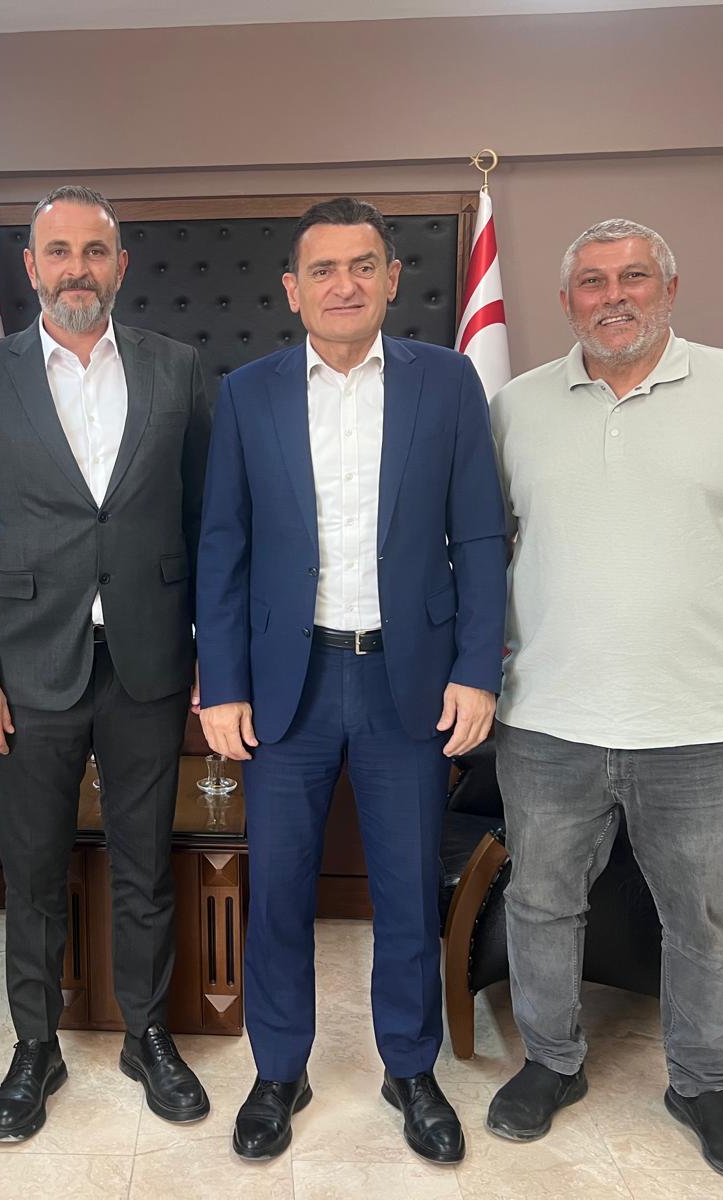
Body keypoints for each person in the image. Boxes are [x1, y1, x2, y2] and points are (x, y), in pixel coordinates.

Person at [485, 218, 723, 1187]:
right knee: (543, 903)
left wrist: (720, 607)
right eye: (592, 283)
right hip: (548, 716)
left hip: (701, 722)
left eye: (633, 277)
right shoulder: (516, 406)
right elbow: (487, 539)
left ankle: (701, 1084)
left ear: (669, 290)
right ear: (567, 303)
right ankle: (551, 1064)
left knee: (708, 919)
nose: (614, 297)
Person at [196, 196, 508, 1165]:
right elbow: (223, 546)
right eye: (323, 269)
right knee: (278, 890)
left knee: (407, 890)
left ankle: (408, 1068)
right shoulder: (245, 393)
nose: (344, 284)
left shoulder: (447, 382)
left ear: (390, 279)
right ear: (293, 290)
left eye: (362, 265)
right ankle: (278, 1070)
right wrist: (220, 683)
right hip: (284, 685)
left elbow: (480, 536)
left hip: (405, 682)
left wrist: (477, 668)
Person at [0, 185, 212, 1141]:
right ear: (30, 267)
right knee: (33, 871)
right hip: (25, 669)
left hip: (149, 659)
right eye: (58, 252)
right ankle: (34, 1047)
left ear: (121, 265)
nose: (77, 269)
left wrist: (213, 658)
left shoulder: (179, 368)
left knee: (145, 864)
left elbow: (210, 524)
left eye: (95, 251)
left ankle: (148, 1035)